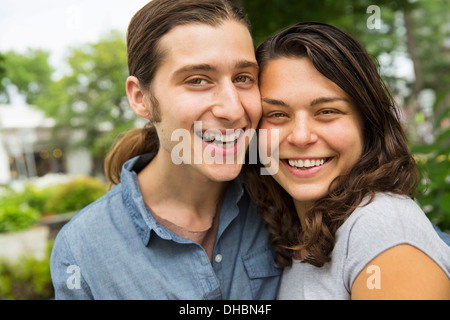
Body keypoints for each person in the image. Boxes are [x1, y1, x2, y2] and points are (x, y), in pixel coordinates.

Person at [50, 0, 281, 299]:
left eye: (243, 78)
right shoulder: (82, 250)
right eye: (197, 80)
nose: (233, 109)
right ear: (141, 97)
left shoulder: (282, 200)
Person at [244, 22, 450, 299]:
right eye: (277, 114)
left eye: (327, 111)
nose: (301, 137)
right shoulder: (294, 230)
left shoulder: (381, 227)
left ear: (367, 121)